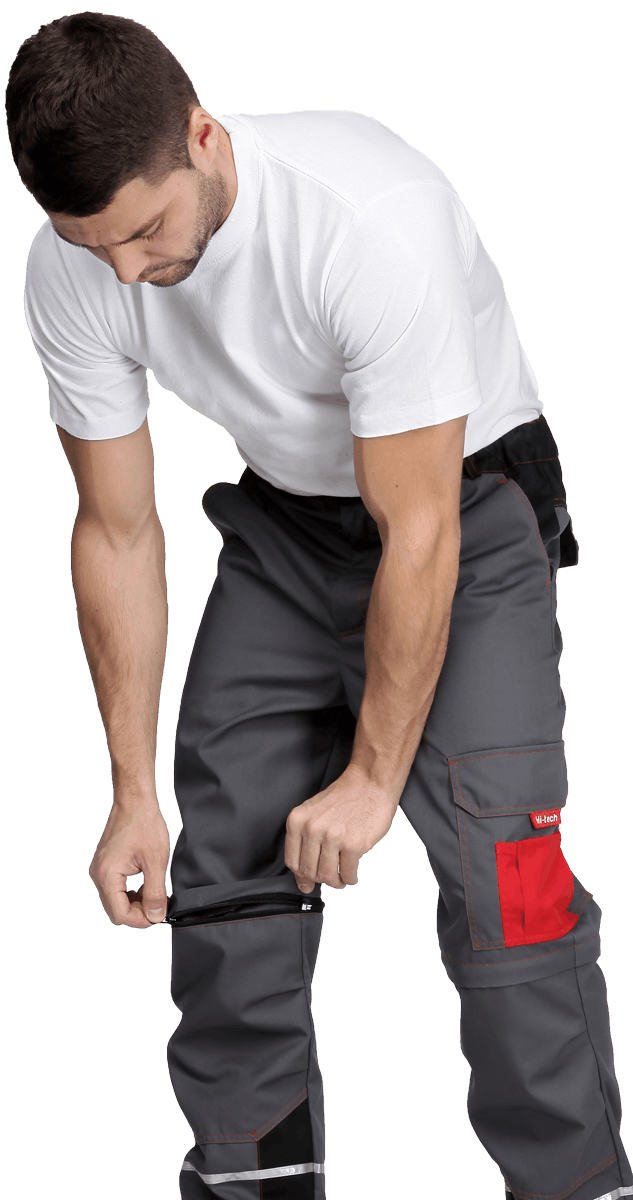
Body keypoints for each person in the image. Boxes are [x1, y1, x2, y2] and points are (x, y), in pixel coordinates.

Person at [6, 11, 631, 1200]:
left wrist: (375, 779)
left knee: (506, 870)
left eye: (143, 232)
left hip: (462, 507)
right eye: (93, 246)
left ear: (200, 136)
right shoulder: (73, 267)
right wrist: (129, 796)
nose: (126, 273)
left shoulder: (365, 219)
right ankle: (252, 1176)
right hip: (290, 520)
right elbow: (116, 530)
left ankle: (575, 1184)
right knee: (226, 844)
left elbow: (421, 533)